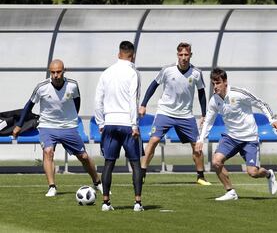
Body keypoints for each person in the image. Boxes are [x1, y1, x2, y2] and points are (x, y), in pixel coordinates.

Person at [13, 59, 103, 197]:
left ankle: (97, 182)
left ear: (64, 71)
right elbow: (28, 106)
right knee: (48, 151)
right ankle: (52, 187)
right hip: (47, 126)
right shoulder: (41, 87)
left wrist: (71, 118)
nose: (56, 75)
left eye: (58, 72)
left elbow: (77, 102)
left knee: (83, 156)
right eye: (53, 72)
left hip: (68, 126)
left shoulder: (72, 85)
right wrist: (19, 125)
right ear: (50, 72)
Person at [196, 68, 277, 201]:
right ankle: (230, 192)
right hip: (230, 137)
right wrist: (200, 139)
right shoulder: (214, 100)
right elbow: (208, 121)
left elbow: (261, 103)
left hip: (249, 138)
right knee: (216, 162)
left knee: (253, 172)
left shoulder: (238, 94)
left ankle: (268, 174)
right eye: (213, 84)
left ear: (225, 82)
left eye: (218, 83)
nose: (215, 87)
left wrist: (272, 119)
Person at [139, 42, 211, 185]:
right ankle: (141, 174)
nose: (184, 57)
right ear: (177, 55)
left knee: (196, 145)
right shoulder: (167, 70)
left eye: (186, 54)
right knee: (153, 141)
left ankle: (200, 177)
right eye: (181, 54)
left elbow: (202, 93)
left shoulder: (196, 73)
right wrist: (143, 104)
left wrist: (204, 114)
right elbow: (153, 86)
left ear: (191, 55)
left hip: (185, 115)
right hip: (165, 112)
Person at [94, 40, 143, 212]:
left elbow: (97, 100)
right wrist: (134, 124)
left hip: (110, 123)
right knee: (136, 163)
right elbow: (133, 99)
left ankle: (105, 202)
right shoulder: (134, 73)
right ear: (133, 55)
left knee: (109, 163)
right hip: (127, 124)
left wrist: (101, 122)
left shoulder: (107, 72)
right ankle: (137, 202)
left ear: (118, 54)